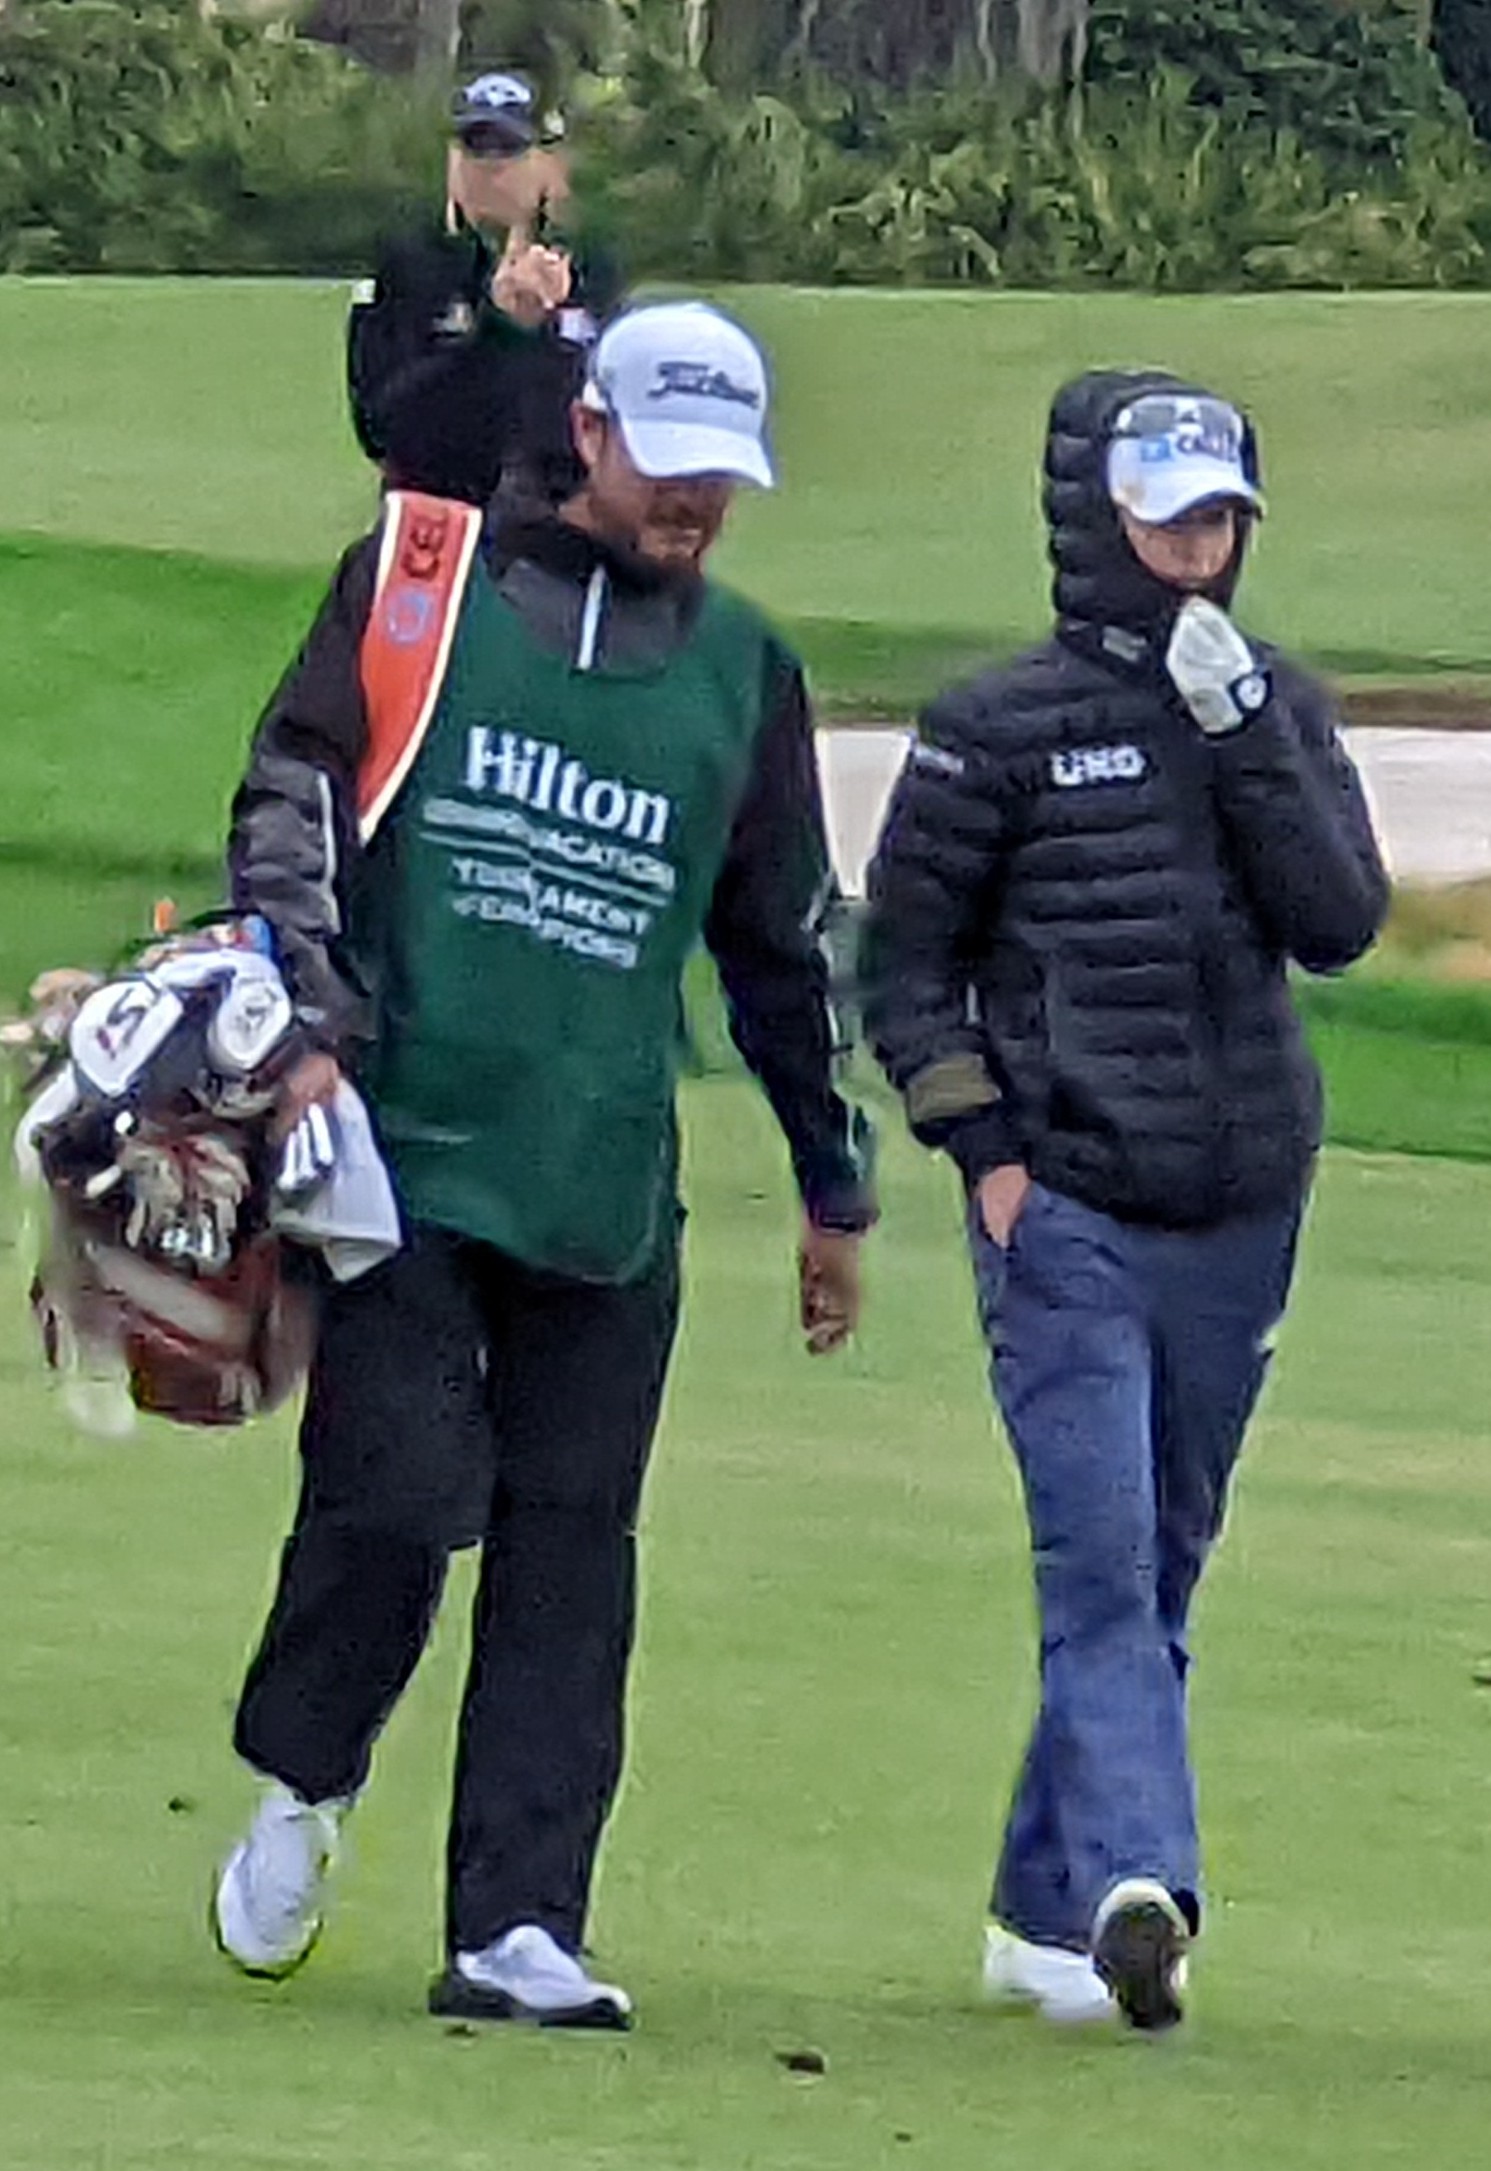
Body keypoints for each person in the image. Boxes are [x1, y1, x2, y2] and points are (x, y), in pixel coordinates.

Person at [211, 300, 875, 2029]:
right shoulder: (416, 578)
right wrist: (299, 1029)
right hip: (394, 1160)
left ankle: (519, 1923)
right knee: (399, 1499)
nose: (696, 505)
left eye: (724, 479)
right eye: (670, 465)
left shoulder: (744, 669)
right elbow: (291, 793)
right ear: (588, 430)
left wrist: (833, 1177)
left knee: (575, 1552)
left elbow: (781, 945)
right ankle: (310, 1769)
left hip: (602, 1183)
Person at [862, 372, 1388, 2032]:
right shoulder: (993, 725)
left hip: (1238, 1206)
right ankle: (1142, 1888)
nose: (1195, 549)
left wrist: (1244, 739)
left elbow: (1338, 922)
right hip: (1066, 1204)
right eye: (1166, 518)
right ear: (1099, 521)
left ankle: (1040, 1915)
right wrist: (986, 1156)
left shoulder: (1270, 705)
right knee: (1097, 1570)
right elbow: (901, 970)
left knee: (1159, 1567)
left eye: (1218, 518)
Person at [346, 70, 622, 513]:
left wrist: (544, 335)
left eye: (508, 151)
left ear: (549, 165)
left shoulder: (591, 269)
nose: (489, 169)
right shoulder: (412, 258)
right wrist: (498, 330)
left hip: (555, 520)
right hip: (436, 515)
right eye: (474, 149)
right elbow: (383, 427)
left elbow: (601, 427)